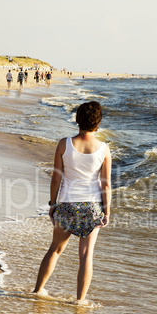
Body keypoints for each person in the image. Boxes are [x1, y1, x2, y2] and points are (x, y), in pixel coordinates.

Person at [33, 101, 111, 303]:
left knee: (55, 250)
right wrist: (107, 212)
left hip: (67, 205)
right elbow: (106, 185)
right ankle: (80, 301)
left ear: (78, 120)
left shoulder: (64, 144)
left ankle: (38, 290)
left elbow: (56, 178)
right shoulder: (104, 149)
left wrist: (52, 204)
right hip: (92, 207)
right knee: (86, 255)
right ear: (98, 123)